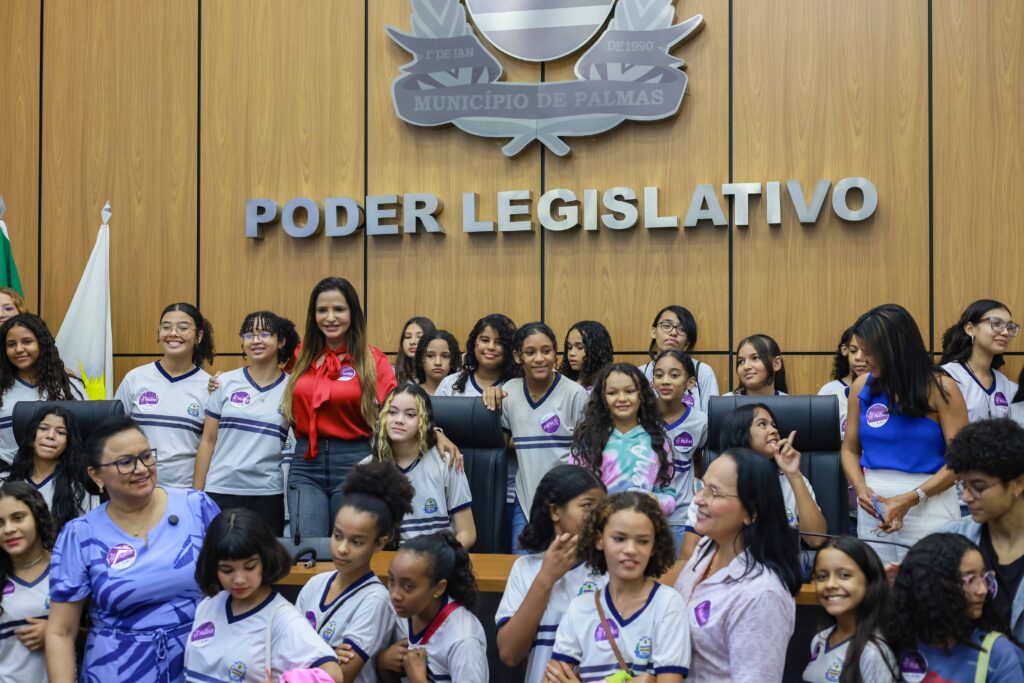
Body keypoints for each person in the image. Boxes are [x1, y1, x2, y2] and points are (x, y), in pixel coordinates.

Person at [45, 416, 221, 683]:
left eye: (146, 456)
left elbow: (237, 587)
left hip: (200, 666)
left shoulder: (197, 507)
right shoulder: (81, 534)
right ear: (96, 475)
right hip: (116, 669)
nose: (141, 469)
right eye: (125, 462)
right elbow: (61, 632)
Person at [841, 304, 968, 563]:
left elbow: (962, 459)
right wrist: (861, 488)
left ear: (895, 348)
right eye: (859, 350)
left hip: (929, 504)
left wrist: (913, 497)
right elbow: (850, 449)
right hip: (874, 508)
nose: (861, 359)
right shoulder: (861, 386)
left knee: (929, 590)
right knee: (879, 590)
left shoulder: (941, 388)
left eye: (869, 352)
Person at [282, 277, 398, 539]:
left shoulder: (372, 360)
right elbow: (268, 384)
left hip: (355, 462)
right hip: (305, 463)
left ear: (352, 313)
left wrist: (437, 431)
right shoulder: (300, 356)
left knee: (350, 549)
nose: (330, 317)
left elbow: (399, 410)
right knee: (308, 551)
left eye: (339, 309)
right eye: (322, 310)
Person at [673, 448, 802, 682]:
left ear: (751, 512)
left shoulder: (762, 594)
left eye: (715, 493)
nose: (699, 499)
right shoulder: (706, 550)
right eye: (702, 487)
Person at [185, 508, 342, 682]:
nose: (239, 579)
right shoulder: (209, 605)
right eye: (227, 570)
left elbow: (332, 674)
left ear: (266, 559)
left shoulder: (282, 619)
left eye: (250, 566)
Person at [547, 491, 689, 683]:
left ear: (654, 546)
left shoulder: (668, 604)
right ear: (599, 540)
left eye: (643, 541)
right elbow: (552, 677)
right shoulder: (579, 608)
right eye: (619, 539)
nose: (630, 550)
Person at [295, 461, 413, 683]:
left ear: (379, 543)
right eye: (337, 536)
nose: (342, 548)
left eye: (356, 541)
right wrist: (329, 654)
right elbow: (282, 650)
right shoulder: (315, 584)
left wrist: (307, 654)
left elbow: (341, 676)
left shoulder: (375, 599)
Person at [495, 465, 606, 682]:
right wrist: (546, 578)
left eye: (602, 509)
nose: (598, 517)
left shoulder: (609, 571)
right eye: (587, 506)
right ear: (555, 511)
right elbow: (509, 654)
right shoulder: (525, 569)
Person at [484, 322, 588, 552]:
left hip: (566, 502)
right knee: (522, 567)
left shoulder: (575, 394)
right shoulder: (509, 392)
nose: (539, 358)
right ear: (518, 356)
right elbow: (496, 443)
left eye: (546, 351)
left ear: (555, 352)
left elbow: (588, 458)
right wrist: (489, 398)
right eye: (530, 352)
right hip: (525, 502)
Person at [192, 311, 300, 534]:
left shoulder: (293, 388)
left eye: (264, 334)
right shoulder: (224, 382)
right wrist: (196, 494)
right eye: (249, 335)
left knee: (264, 562)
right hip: (220, 488)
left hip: (267, 493)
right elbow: (208, 441)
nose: (256, 340)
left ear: (281, 342)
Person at [887, 533, 1024, 682]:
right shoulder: (899, 639)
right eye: (970, 579)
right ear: (933, 585)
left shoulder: (999, 655)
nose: (983, 590)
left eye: (984, 577)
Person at [362, 383, 475, 549]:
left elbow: (467, 533)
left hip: (436, 562)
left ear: (424, 420)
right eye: (392, 412)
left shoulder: (447, 462)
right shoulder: (366, 469)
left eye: (410, 414)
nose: (399, 420)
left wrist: (441, 561)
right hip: (387, 564)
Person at [114, 303, 214, 489]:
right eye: (166, 327)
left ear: (198, 336)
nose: (173, 333)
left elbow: (209, 444)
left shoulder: (209, 386)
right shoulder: (135, 378)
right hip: (135, 487)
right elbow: (114, 432)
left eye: (183, 328)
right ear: (158, 333)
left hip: (184, 491)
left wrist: (196, 493)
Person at [943, 418, 1024, 639]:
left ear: (1017, 483)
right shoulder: (951, 539)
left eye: (978, 487)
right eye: (963, 486)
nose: (967, 497)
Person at [377, 531, 488, 683]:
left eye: (408, 586)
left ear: (439, 588)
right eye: (391, 580)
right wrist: (382, 663)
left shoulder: (463, 640)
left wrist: (418, 680)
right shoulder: (396, 611)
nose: (395, 594)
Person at [570, 363, 676, 515]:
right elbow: (574, 490)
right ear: (602, 398)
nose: (622, 398)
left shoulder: (658, 440)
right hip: (599, 529)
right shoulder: (588, 439)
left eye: (630, 391)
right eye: (612, 393)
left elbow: (669, 495)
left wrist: (656, 501)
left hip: (643, 526)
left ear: (642, 395)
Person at [803, 536, 897, 683]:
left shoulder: (873, 652)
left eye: (844, 575)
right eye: (822, 576)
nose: (830, 584)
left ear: (869, 581)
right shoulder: (819, 640)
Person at [0, 314, 83, 465]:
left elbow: (88, 432)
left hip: (63, 476)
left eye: (27, 341)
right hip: (7, 479)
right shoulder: (2, 390)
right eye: (11, 344)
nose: (19, 349)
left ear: (42, 344)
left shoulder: (68, 386)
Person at [1, 407, 97, 530]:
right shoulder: (4, 481)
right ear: (32, 434)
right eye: (44, 428)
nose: (51, 436)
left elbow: (89, 537)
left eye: (61, 432)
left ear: (69, 442)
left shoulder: (79, 488)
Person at [0, 482, 57, 683]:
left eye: (18, 518)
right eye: (0, 523)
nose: (8, 529)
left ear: (37, 517)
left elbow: (100, 631)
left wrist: (54, 632)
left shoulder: (66, 568)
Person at [652, 350, 708, 549]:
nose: (665, 381)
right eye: (659, 375)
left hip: (682, 518)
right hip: (646, 515)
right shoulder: (641, 418)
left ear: (690, 382)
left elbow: (700, 463)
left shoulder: (700, 421)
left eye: (674, 375)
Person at [940, 299, 1020, 422]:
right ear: (970, 329)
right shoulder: (948, 376)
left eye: (1010, 326)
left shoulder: (1007, 385)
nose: (1005, 332)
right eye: (997, 323)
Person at [640, 305, 719, 412]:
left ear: (688, 340)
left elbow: (712, 419)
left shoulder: (702, 372)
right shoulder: (640, 373)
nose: (673, 333)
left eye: (682, 329)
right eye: (667, 326)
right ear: (654, 332)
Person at [435, 313, 517, 398]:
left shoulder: (518, 388)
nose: (491, 347)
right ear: (474, 343)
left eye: (499, 342)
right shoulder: (449, 384)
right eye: (485, 340)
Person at [818, 326, 866, 439]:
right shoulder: (829, 391)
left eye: (867, 352)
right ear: (845, 350)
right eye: (854, 351)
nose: (859, 357)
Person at [558, 320, 614, 392]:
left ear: (596, 349)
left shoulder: (606, 384)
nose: (571, 353)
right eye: (569, 347)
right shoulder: (564, 379)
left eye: (580, 347)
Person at [413, 329, 461, 396]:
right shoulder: (411, 394)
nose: (438, 362)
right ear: (420, 358)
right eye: (430, 355)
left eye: (445, 356)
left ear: (453, 360)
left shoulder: (460, 394)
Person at [394, 317, 435, 385]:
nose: (412, 342)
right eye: (407, 337)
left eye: (419, 337)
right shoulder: (391, 373)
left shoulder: (444, 375)